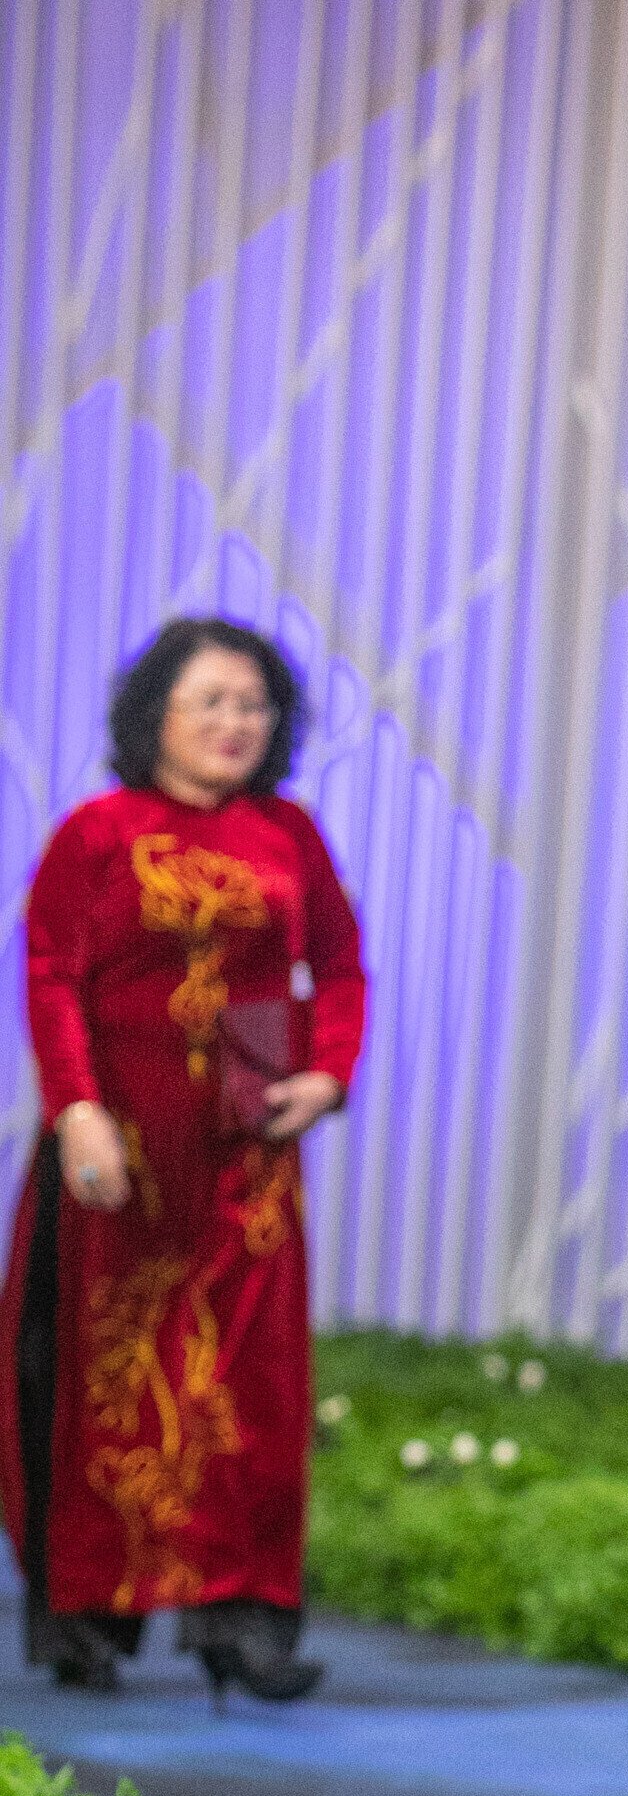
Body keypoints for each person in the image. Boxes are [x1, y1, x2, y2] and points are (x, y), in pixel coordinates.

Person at [0, 619, 365, 1700]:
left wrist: (328, 1075)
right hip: (117, 1155)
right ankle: (86, 1620)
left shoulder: (290, 833)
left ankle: (243, 1624)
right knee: (100, 1374)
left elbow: (341, 968)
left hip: (247, 1163)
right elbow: (50, 974)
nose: (233, 722)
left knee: (248, 1385)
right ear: (153, 713)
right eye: (210, 700)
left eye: (252, 704)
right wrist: (76, 1112)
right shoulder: (97, 832)